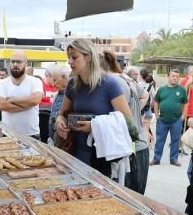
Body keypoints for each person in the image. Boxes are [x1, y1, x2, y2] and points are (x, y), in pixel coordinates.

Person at [53, 38, 135, 176]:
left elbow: (128, 122)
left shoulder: (109, 84)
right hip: (74, 151)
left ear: (89, 57)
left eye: (74, 57)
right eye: (69, 58)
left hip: (101, 156)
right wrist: (60, 122)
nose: (70, 62)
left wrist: (95, 126)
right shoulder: (72, 84)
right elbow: (61, 114)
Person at [102, 51, 150, 194]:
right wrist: (135, 113)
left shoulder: (113, 82)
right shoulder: (126, 78)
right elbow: (145, 95)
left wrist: (129, 115)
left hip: (131, 151)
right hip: (139, 146)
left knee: (129, 199)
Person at [0, 50, 44, 140]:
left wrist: (12, 100)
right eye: (13, 61)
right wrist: (28, 105)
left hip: (32, 135)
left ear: (26, 63)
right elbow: (1, 105)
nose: (15, 64)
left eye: (19, 62)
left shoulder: (35, 81)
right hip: (9, 135)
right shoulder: (2, 83)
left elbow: (35, 100)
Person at [151, 70, 188, 166]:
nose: (175, 78)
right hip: (162, 120)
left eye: (177, 76)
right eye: (173, 76)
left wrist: (183, 116)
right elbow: (156, 101)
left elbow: (185, 103)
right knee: (159, 140)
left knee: (175, 141)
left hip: (176, 120)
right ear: (168, 77)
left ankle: (173, 159)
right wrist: (157, 115)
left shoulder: (181, 90)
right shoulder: (162, 89)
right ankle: (156, 159)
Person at [46, 64, 70, 141]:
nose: (53, 84)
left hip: (64, 142)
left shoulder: (72, 95)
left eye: (55, 80)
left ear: (64, 77)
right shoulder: (57, 94)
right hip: (53, 140)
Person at [138, 69, 157, 144]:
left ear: (140, 75)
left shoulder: (137, 84)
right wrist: (151, 104)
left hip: (138, 110)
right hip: (147, 110)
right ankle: (147, 145)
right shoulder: (150, 86)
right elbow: (155, 98)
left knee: (139, 130)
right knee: (146, 129)